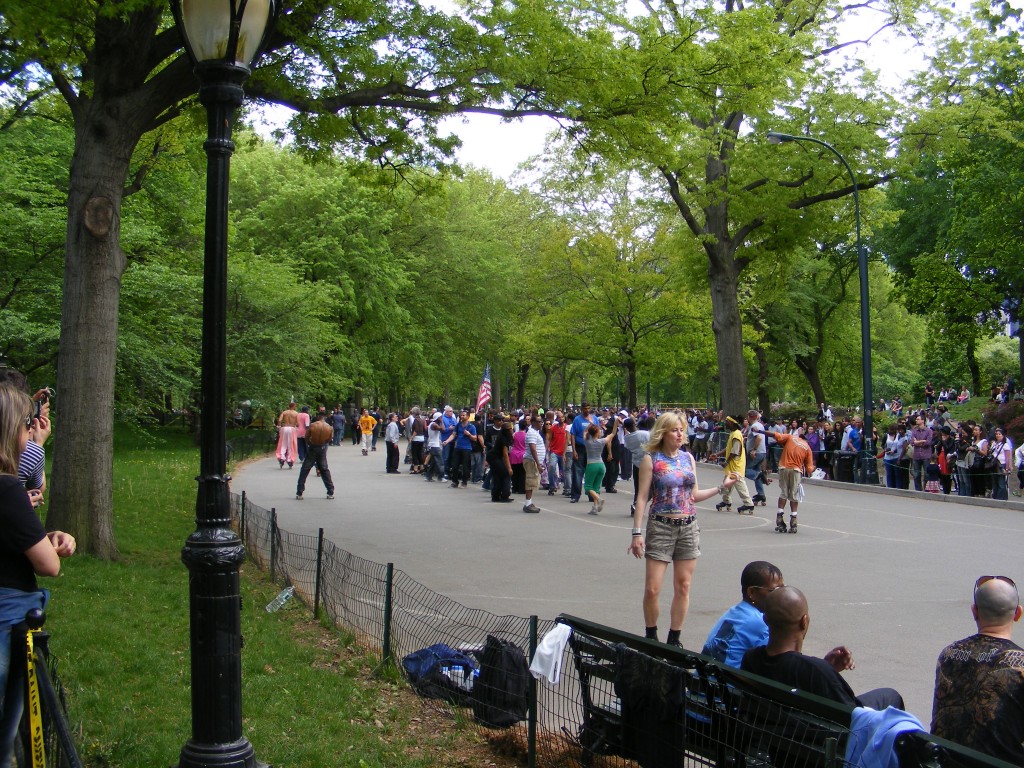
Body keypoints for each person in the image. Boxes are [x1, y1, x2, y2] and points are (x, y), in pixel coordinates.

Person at [0, 386, 76, 768]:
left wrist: (43, 538)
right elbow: (50, 566)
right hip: (8, 614)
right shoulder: (7, 489)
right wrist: (50, 545)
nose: (30, 433)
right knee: (6, 724)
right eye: (25, 426)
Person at [628, 412, 737, 646]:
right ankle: (651, 636)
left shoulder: (688, 459)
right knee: (652, 589)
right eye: (675, 430)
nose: (680, 434)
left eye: (682, 430)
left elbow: (694, 495)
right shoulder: (652, 459)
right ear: (663, 433)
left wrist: (721, 487)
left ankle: (674, 638)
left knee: (684, 586)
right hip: (661, 526)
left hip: (688, 527)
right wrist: (637, 533)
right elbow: (642, 498)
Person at [742, 586, 904, 710]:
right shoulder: (816, 671)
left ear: (765, 618)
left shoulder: (750, 659)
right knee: (890, 696)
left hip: (779, 739)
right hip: (818, 746)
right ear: (804, 621)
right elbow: (853, 718)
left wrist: (826, 667)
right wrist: (825, 670)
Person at [931, 575, 1024, 763]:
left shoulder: (949, 654)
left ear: (974, 612)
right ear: (1017, 614)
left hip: (945, 762)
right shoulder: (1021, 664)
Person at [702, 561, 784, 668]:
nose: (781, 595)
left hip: (705, 680)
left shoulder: (733, 612)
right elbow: (779, 662)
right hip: (728, 682)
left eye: (782, 588)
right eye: (774, 590)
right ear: (752, 592)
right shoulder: (760, 622)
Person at [764, 426, 815, 534]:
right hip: (796, 470)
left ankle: (779, 516)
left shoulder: (791, 437)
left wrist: (760, 431)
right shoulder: (808, 448)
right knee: (793, 495)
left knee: (783, 493)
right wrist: (812, 468)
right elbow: (810, 469)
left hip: (783, 468)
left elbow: (775, 435)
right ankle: (793, 520)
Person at [712, 416, 754, 514]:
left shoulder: (736, 434)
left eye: (727, 421)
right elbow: (728, 448)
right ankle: (726, 501)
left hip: (736, 465)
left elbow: (735, 451)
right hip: (731, 465)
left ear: (732, 423)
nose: (725, 423)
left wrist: (726, 462)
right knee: (726, 483)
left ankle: (748, 504)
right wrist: (717, 455)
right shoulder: (733, 434)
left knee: (739, 484)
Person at [295, 411, 335, 499]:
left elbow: (306, 437)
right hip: (322, 448)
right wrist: (323, 444)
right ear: (325, 417)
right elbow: (329, 439)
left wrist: (310, 443)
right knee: (324, 470)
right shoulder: (329, 427)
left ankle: (299, 492)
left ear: (318, 416)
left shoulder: (312, 425)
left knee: (305, 469)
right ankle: (330, 491)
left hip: (313, 448)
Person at [583, 416, 619, 516]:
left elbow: (585, 432)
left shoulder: (587, 442)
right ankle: (594, 508)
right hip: (601, 465)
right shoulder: (602, 441)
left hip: (591, 465)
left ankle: (599, 499)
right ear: (597, 433)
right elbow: (613, 434)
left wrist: (590, 424)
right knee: (596, 487)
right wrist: (615, 424)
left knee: (588, 487)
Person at [568, 403, 599, 503]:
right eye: (585, 408)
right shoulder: (577, 419)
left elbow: (598, 433)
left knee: (591, 472)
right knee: (577, 472)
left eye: (588, 408)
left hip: (591, 448)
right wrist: (574, 450)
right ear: (582, 409)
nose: (587, 410)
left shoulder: (595, 419)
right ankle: (575, 495)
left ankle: (591, 495)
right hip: (580, 448)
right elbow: (573, 434)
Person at [522, 415, 545, 513]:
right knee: (530, 481)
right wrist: (538, 464)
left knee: (532, 481)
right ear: (533, 422)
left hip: (533, 461)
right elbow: (532, 448)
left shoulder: (535, 432)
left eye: (541, 422)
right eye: (539, 422)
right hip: (531, 461)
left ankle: (529, 502)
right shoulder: (531, 433)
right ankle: (528, 504)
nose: (541, 423)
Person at [488, 418, 514, 503]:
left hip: (494, 457)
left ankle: (495, 496)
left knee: (497, 476)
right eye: (511, 429)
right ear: (508, 430)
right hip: (495, 458)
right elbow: (505, 455)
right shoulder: (504, 440)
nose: (512, 431)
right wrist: (509, 468)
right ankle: (505, 495)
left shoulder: (502, 437)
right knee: (506, 474)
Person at [909, 414, 933, 492]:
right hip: (916, 455)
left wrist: (918, 442)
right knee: (916, 474)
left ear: (923, 420)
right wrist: (922, 441)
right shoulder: (914, 431)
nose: (916, 420)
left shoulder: (929, 431)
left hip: (926, 455)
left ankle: (926, 489)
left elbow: (928, 443)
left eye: (918, 419)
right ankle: (918, 490)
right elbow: (912, 442)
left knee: (927, 474)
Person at [989, 427, 1012, 501]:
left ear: (1003, 435)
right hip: (994, 464)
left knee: (1001, 483)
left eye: (1000, 434)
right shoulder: (994, 443)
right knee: (995, 482)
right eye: (997, 434)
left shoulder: (1005, 445)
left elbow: (1008, 457)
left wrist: (1007, 468)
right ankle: (995, 496)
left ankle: (1001, 498)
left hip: (1001, 464)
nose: (998, 435)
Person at [275, 402, 300, 468]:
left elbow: (280, 420)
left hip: (284, 428)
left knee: (282, 444)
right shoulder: (296, 413)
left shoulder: (284, 412)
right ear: (294, 406)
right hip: (292, 428)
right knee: (291, 444)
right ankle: (290, 460)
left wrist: (279, 426)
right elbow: (298, 423)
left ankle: (281, 457)